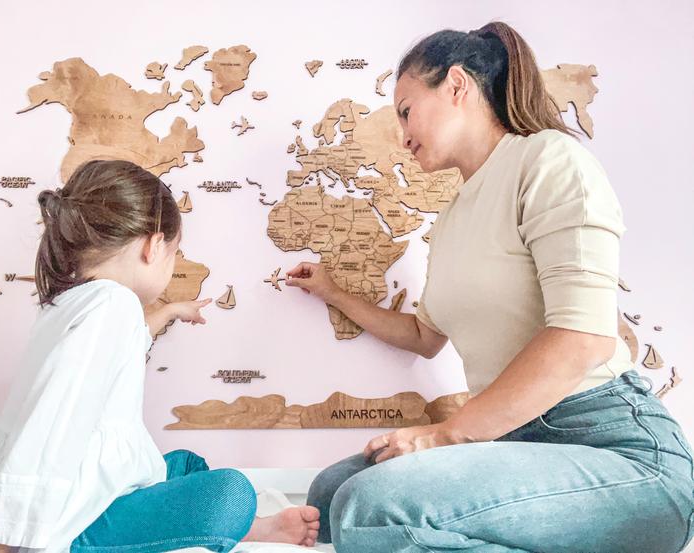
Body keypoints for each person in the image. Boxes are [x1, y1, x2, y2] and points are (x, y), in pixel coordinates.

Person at [285, 21, 694, 553]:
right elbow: (424, 335)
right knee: (330, 496)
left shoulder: (548, 159)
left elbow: (582, 338)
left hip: (615, 449)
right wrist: (333, 292)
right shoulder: (453, 213)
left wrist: (445, 433)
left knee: (371, 508)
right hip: (514, 438)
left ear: (456, 85)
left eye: (406, 110)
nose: (401, 132)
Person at [0, 160, 320, 553]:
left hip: (88, 493)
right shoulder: (111, 306)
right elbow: (52, 429)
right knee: (231, 493)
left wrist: (166, 314)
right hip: (65, 526)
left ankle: (243, 529)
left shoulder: (77, 304)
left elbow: (103, 365)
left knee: (185, 465)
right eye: (175, 252)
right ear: (153, 245)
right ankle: (245, 527)